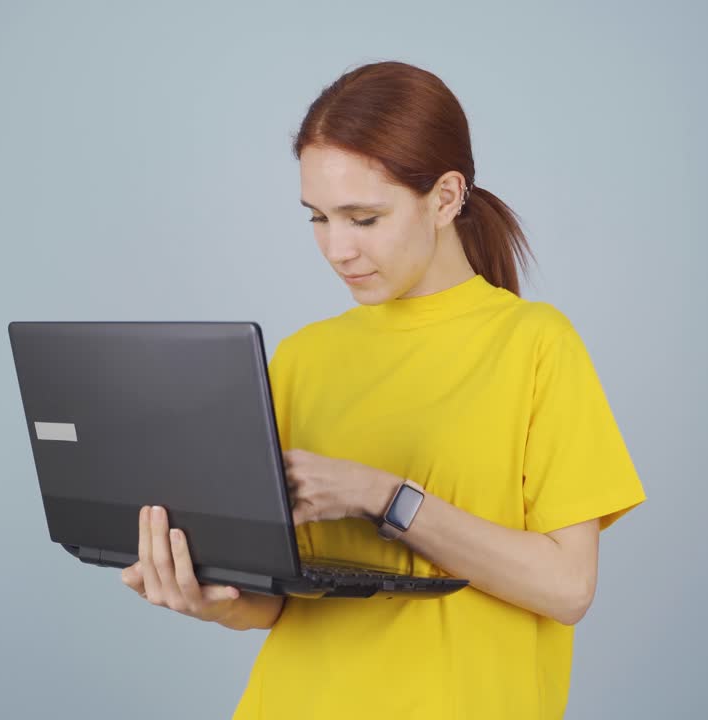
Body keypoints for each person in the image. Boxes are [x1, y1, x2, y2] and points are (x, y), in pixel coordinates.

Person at [121, 60, 647, 719]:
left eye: (363, 219)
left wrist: (382, 497)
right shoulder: (302, 357)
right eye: (317, 218)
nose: (337, 249)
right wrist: (209, 599)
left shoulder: (534, 344)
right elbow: (280, 599)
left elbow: (568, 588)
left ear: (446, 198)